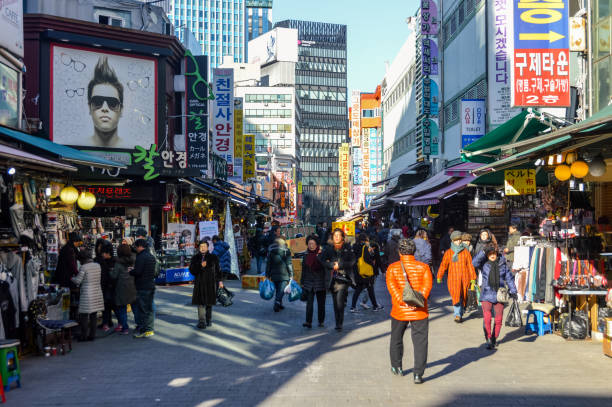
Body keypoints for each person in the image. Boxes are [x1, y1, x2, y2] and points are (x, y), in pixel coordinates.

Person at [386, 239, 432, 383]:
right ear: (414, 251)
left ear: (399, 251)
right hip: (420, 311)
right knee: (420, 342)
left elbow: (394, 290)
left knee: (396, 338)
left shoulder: (392, 268)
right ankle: (418, 374)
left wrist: (404, 302)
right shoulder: (424, 267)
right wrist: (416, 301)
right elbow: (426, 289)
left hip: (400, 311)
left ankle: (396, 366)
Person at [473, 246, 517, 349]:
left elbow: (509, 278)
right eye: (490, 254)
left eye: (494, 253)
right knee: (487, 318)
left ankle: (494, 338)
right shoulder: (484, 264)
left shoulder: (503, 264)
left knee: (498, 319)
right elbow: (474, 263)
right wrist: (483, 251)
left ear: (497, 254)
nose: (492, 255)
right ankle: (488, 338)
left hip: (499, 295)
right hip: (486, 294)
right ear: (487, 255)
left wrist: (513, 291)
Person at [436, 231, 477, 323]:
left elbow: (470, 265)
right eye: (456, 240)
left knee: (463, 296)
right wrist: (439, 275)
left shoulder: (466, 252)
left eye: (459, 240)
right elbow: (443, 265)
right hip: (453, 278)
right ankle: (457, 314)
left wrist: (473, 278)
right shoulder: (448, 253)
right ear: (452, 241)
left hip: (465, 278)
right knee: (455, 296)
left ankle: (461, 312)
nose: (458, 242)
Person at [320, 228, 356, 331]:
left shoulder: (347, 248)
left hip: (343, 278)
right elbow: (321, 260)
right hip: (332, 279)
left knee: (339, 301)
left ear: (342, 237)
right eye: (335, 235)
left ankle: (339, 323)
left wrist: (340, 265)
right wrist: (331, 265)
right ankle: (338, 321)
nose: (336, 237)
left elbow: (353, 261)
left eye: (338, 235)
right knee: (336, 302)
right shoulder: (328, 248)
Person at [87, 56, 127, 148]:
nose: (105, 109)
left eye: (112, 103)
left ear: (121, 110)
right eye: (97, 102)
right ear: (89, 107)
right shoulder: (71, 147)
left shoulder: (134, 147)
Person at [71, 249, 104, 342]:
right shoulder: (97, 265)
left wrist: (71, 278)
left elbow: (78, 281)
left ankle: (84, 335)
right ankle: (92, 335)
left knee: (84, 316)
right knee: (93, 315)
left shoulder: (84, 267)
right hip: (97, 292)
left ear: (82, 259)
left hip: (87, 294)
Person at [189, 240, 223, 329]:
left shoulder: (213, 257)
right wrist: (200, 266)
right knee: (200, 303)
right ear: (198, 248)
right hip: (199, 284)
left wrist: (220, 281)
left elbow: (218, 271)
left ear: (207, 247)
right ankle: (201, 321)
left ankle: (208, 319)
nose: (202, 248)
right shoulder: (195, 258)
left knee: (209, 303)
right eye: (201, 246)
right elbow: (192, 270)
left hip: (210, 283)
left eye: (204, 246)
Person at [130, 239, 157, 338]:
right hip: (150, 285)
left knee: (143, 310)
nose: (136, 249)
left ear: (140, 246)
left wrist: (131, 271)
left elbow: (138, 272)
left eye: (136, 247)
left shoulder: (141, 257)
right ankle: (149, 329)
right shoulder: (150, 256)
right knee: (149, 309)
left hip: (142, 286)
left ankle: (144, 330)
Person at [300, 235, 327, 328]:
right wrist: (302, 282)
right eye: (309, 244)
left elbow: (325, 266)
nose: (311, 245)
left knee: (321, 304)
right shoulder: (306, 254)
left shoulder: (322, 253)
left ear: (316, 244)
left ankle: (321, 321)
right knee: (309, 303)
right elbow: (303, 269)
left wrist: (318, 256)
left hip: (320, 282)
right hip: (309, 282)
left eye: (312, 243)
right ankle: (308, 321)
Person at [109, 244, 137, 335]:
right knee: (135, 308)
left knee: (121, 309)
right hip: (133, 286)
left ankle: (125, 328)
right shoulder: (134, 259)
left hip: (121, 287)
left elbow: (114, 276)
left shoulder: (118, 263)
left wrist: (110, 271)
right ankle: (139, 325)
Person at [350, 234, 382, 313]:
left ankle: (353, 307)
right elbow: (367, 259)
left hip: (358, 271)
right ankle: (375, 306)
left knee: (359, 289)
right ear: (365, 240)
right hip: (366, 272)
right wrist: (372, 263)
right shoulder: (365, 247)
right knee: (370, 288)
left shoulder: (354, 246)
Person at [266, 237, 294, 312]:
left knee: (279, 290)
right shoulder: (286, 251)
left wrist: (267, 274)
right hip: (284, 274)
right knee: (281, 290)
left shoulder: (271, 252)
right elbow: (289, 264)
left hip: (274, 274)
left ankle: (279, 304)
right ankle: (277, 302)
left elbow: (268, 264)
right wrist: (291, 274)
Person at [95, 240, 117, 332]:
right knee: (108, 305)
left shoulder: (103, 261)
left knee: (107, 305)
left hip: (107, 286)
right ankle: (109, 322)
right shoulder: (112, 260)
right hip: (109, 286)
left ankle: (107, 323)